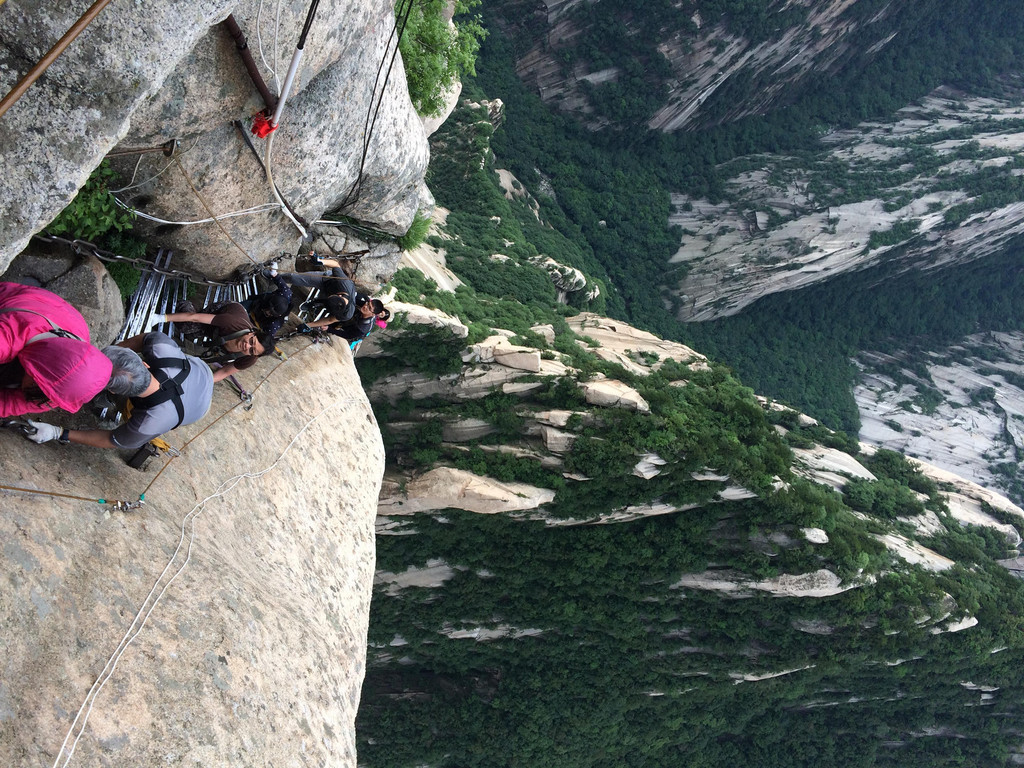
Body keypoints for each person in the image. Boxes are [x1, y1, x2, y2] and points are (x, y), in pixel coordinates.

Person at [24, 331, 214, 450]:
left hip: (197, 409)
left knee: (131, 415)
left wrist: (58, 432)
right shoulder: (160, 347)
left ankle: (114, 403)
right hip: (203, 372)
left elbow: (112, 439)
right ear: (144, 364)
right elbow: (143, 339)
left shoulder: (149, 423)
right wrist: (117, 350)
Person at [0, 281, 113, 418]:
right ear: (38, 369)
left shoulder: (62, 390)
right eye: (37, 386)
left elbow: (12, 404)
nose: (46, 399)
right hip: (12, 304)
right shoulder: (9, 337)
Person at [151, 302, 274, 382]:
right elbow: (194, 317)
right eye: (252, 341)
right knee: (186, 326)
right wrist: (161, 318)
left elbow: (225, 371)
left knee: (193, 335)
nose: (247, 346)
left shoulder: (249, 359)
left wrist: (205, 383)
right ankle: (184, 304)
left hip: (219, 336)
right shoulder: (231, 322)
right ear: (252, 333)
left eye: (252, 350)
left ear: (255, 355)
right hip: (223, 311)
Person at [243, 265, 293, 338]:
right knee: (239, 307)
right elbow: (281, 283)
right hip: (260, 302)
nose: (267, 312)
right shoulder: (285, 293)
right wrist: (274, 273)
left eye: (270, 313)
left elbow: (267, 339)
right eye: (268, 309)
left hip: (260, 321)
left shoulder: (274, 324)